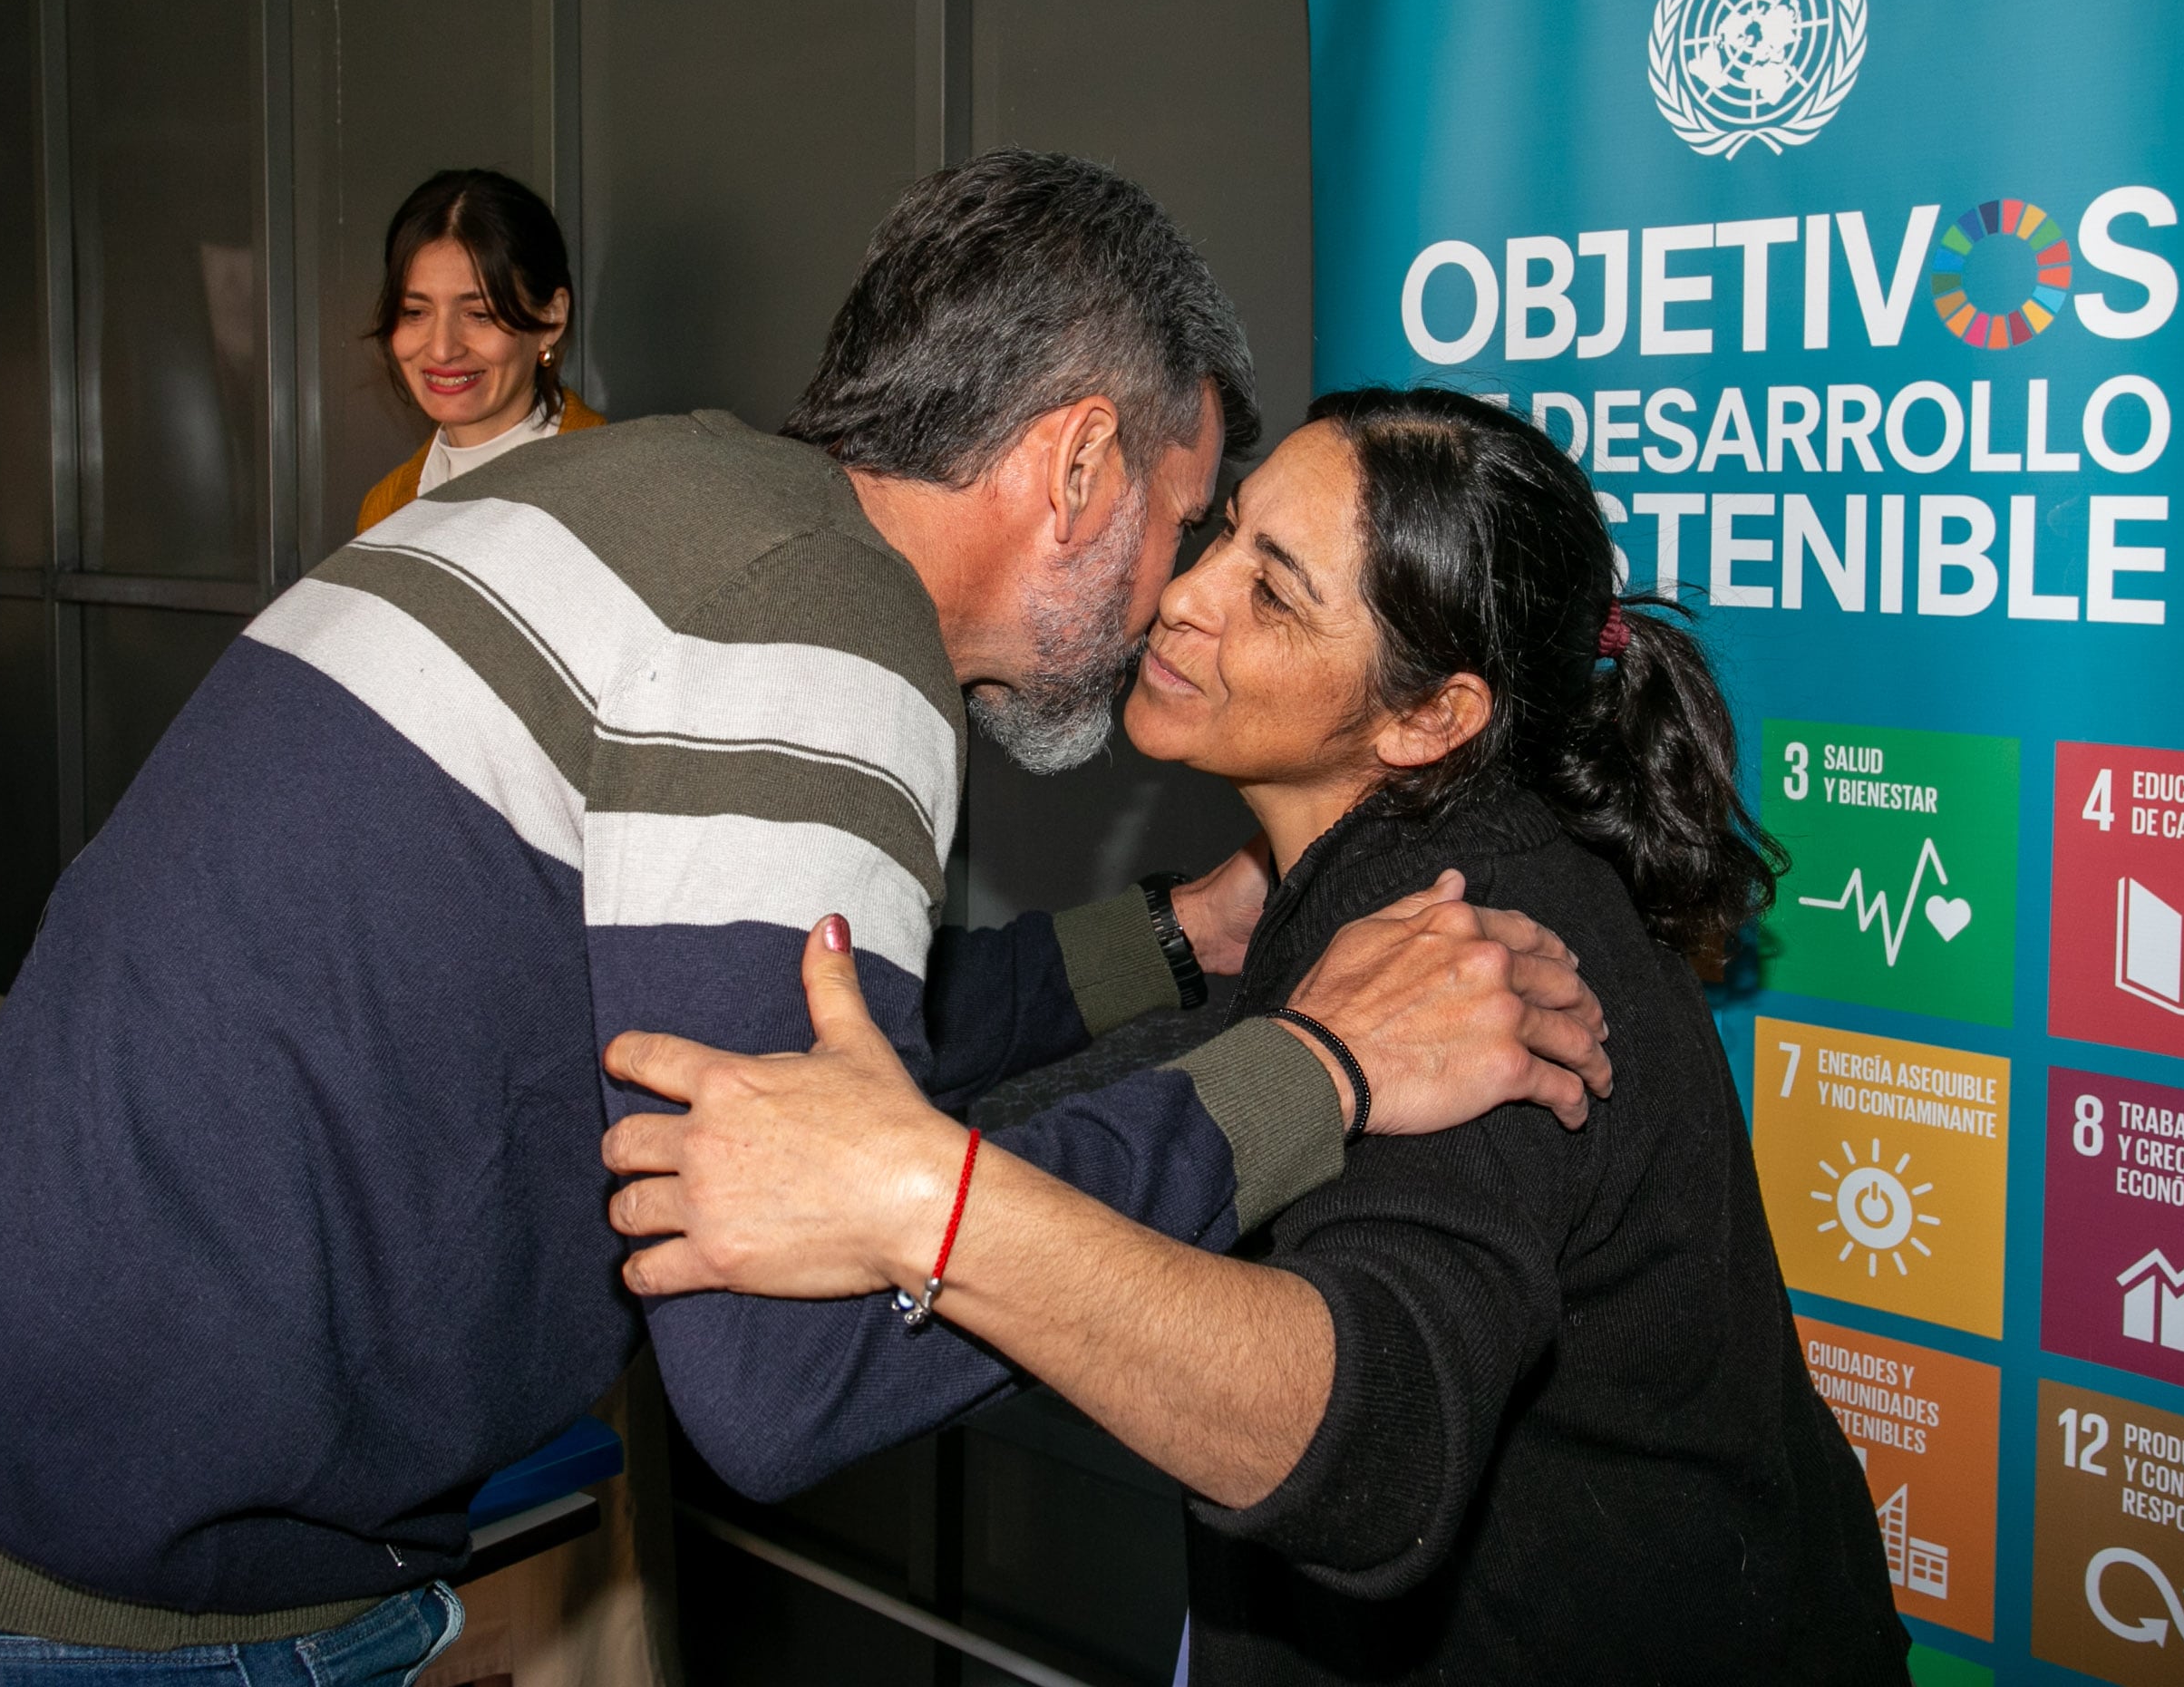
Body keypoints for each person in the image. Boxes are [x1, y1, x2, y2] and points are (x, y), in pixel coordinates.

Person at [0, 158, 1613, 1685]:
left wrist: (1175, 943)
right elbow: (787, 1375)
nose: (1169, 598)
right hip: (37, 1611)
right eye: (1190, 523)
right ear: (1081, 462)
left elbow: (792, 1056)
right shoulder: (823, 657)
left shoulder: (673, 503)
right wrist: (1320, 1067)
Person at [603, 388, 1915, 1683]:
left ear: (1431, 718)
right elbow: (1183, 1099)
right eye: (1224, 530)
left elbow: (1375, 1446)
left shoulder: (1480, 963)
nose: (1186, 593)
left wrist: (919, 1201)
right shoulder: (1349, 888)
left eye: (1273, 592)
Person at [352, 169, 606, 537]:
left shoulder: (616, 493)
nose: (441, 349)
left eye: (479, 314)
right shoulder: (385, 511)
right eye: (415, 312)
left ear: (550, 320)